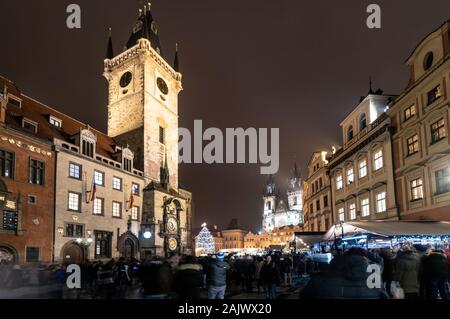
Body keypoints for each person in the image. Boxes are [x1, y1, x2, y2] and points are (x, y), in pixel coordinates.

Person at [300, 248, 389, 299]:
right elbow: (384, 296)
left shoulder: (317, 281)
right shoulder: (375, 280)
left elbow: (303, 296)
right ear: (365, 258)